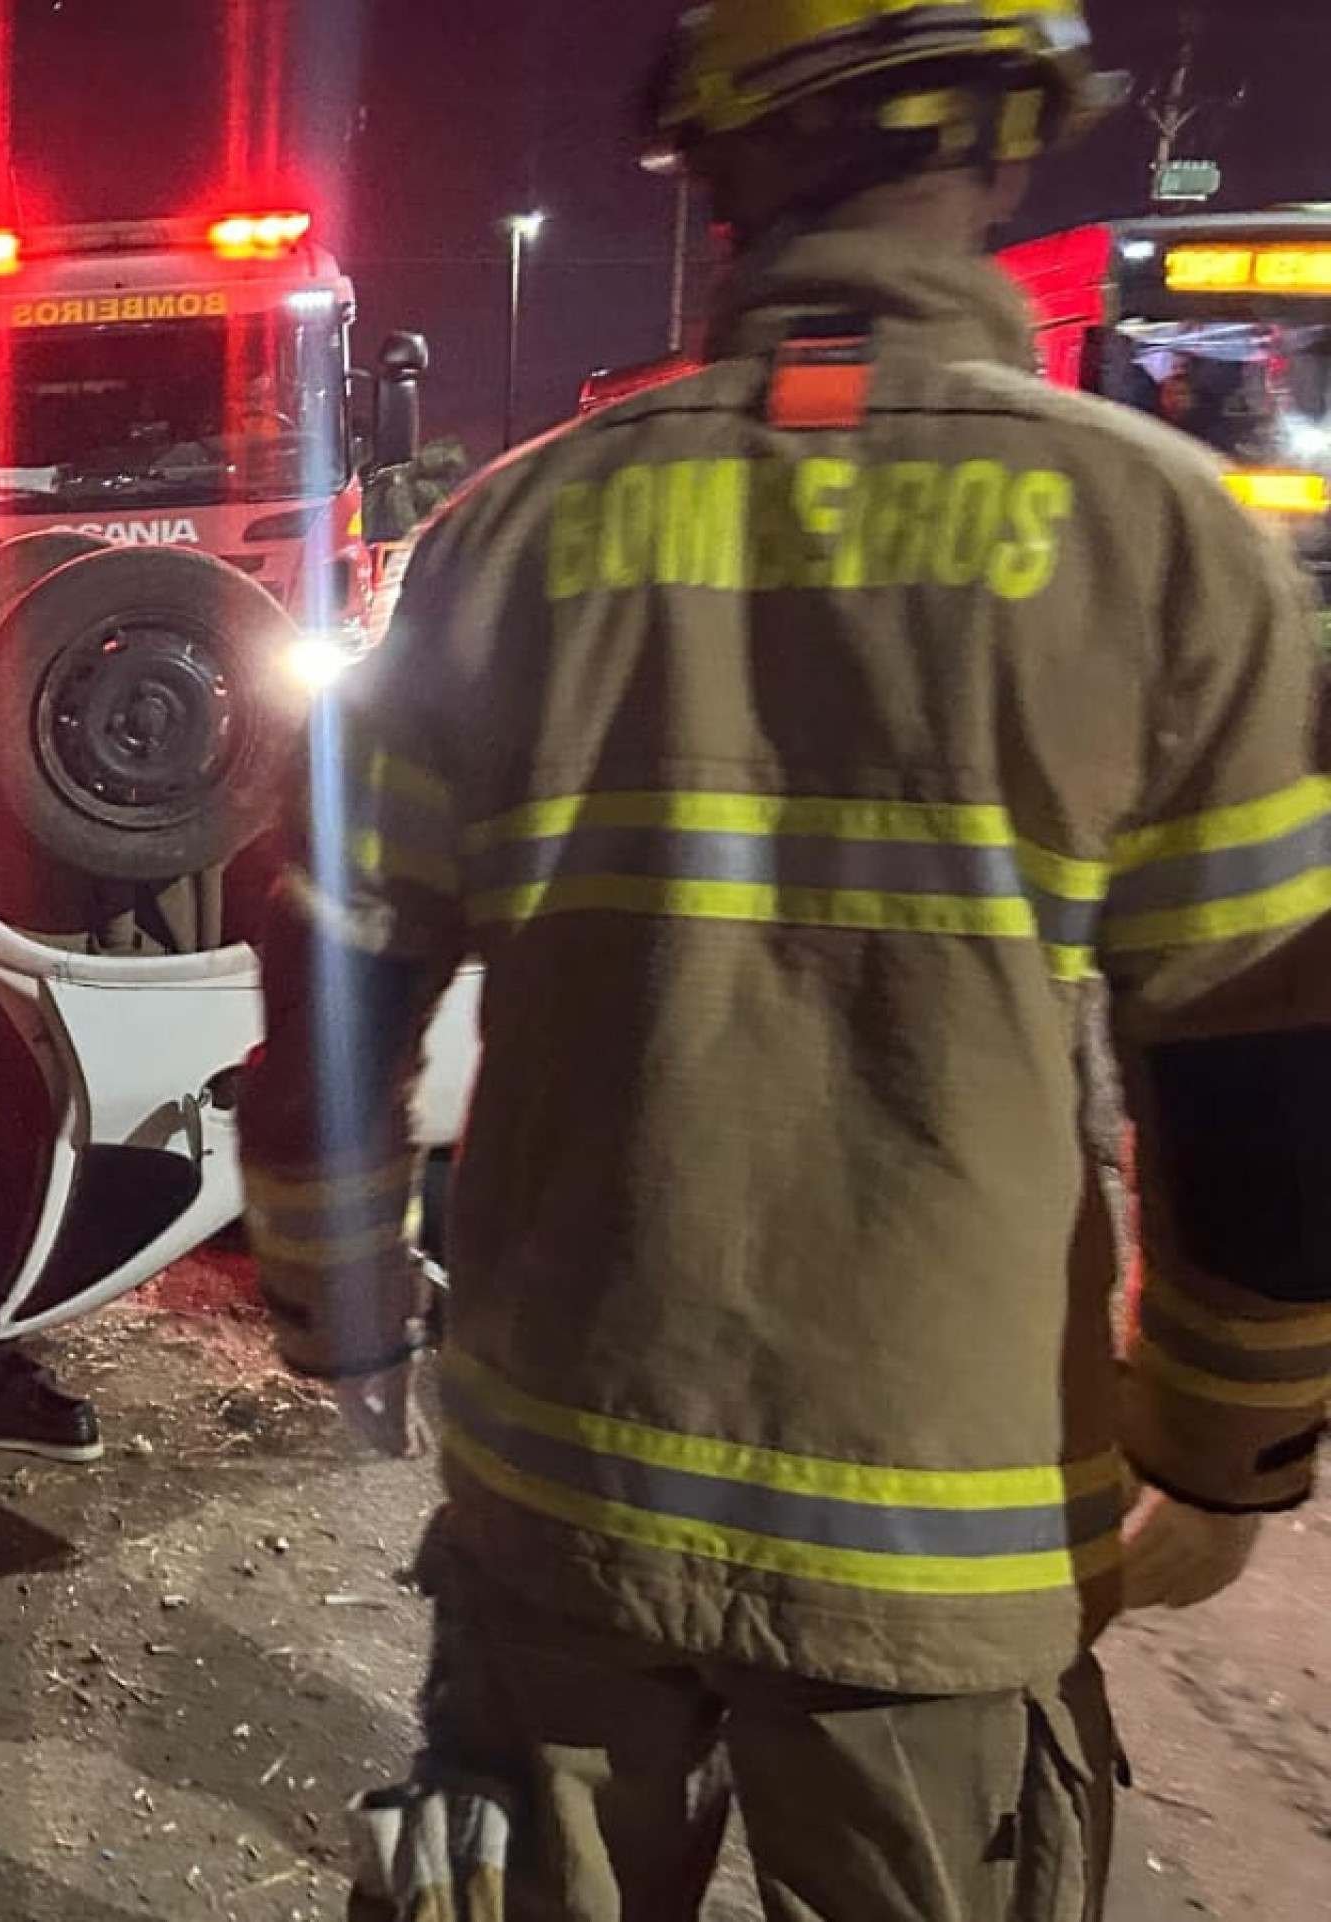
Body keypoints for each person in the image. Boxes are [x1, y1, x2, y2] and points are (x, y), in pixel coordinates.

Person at [237, 4, 1331, 1918]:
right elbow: (1257, 1059)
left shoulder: (510, 533)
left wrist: (341, 1302)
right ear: (1003, 138)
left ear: (717, 169)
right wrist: (1225, 1442)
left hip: (558, 1503)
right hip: (947, 1527)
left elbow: (334, 963)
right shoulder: (1167, 545)